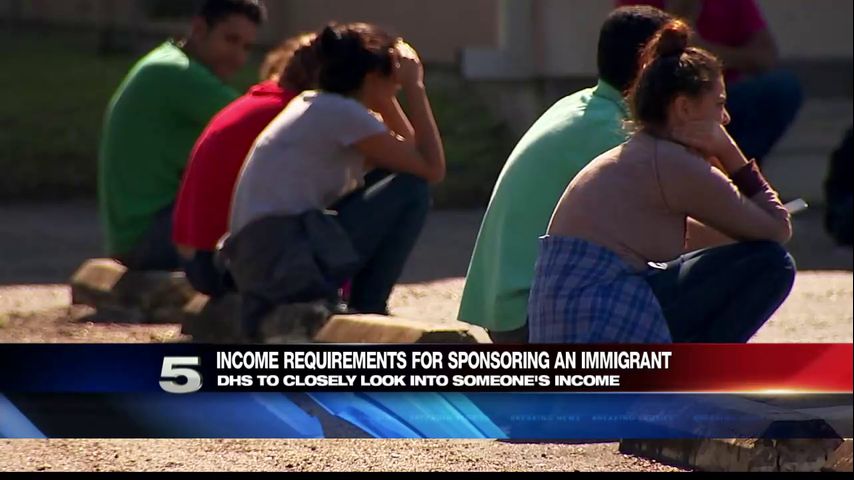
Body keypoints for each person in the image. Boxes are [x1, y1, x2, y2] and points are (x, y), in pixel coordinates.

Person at [528, 21, 796, 344]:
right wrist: (729, 151)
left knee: (729, 260)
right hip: (596, 323)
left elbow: (709, 238)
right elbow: (778, 228)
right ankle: (700, 372)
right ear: (683, 108)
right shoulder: (673, 163)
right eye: (719, 104)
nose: (725, 118)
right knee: (772, 264)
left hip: (566, 325)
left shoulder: (641, 153)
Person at [458, 6, 673, 344]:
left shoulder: (582, 106)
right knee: (742, 265)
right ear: (650, 65)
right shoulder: (614, 131)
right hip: (532, 317)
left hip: (508, 310)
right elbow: (677, 236)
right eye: (677, 62)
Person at [225, 23, 446, 340]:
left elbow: (408, 153)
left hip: (263, 258)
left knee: (396, 178)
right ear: (372, 77)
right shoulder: (342, 114)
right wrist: (416, 87)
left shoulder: (319, 105)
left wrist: (383, 95)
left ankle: (362, 304)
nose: (397, 88)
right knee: (413, 190)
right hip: (280, 261)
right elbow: (431, 168)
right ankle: (369, 304)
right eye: (393, 81)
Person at [98, 0, 266, 272]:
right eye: (230, 40)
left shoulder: (166, 61)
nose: (238, 57)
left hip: (141, 233)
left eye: (246, 47)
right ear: (199, 29)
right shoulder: (177, 73)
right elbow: (266, 123)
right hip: (152, 235)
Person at [172, 33, 319, 297]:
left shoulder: (258, 101)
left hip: (195, 258)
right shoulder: (292, 114)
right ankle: (363, 299)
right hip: (217, 263)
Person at [617, 0, 803, 164]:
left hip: (724, 96)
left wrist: (707, 53)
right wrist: (679, 20)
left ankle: (734, 167)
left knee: (782, 86)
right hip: (664, 103)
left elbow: (765, 56)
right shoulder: (640, 6)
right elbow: (633, 62)